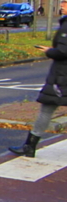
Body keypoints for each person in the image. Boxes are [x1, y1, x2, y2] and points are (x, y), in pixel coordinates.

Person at [8, 12, 67, 158]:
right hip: (61, 75)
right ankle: (29, 146)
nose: (62, 5)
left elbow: (63, 52)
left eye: (66, 2)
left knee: (46, 109)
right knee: (47, 108)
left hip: (62, 75)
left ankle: (30, 146)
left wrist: (49, 51)